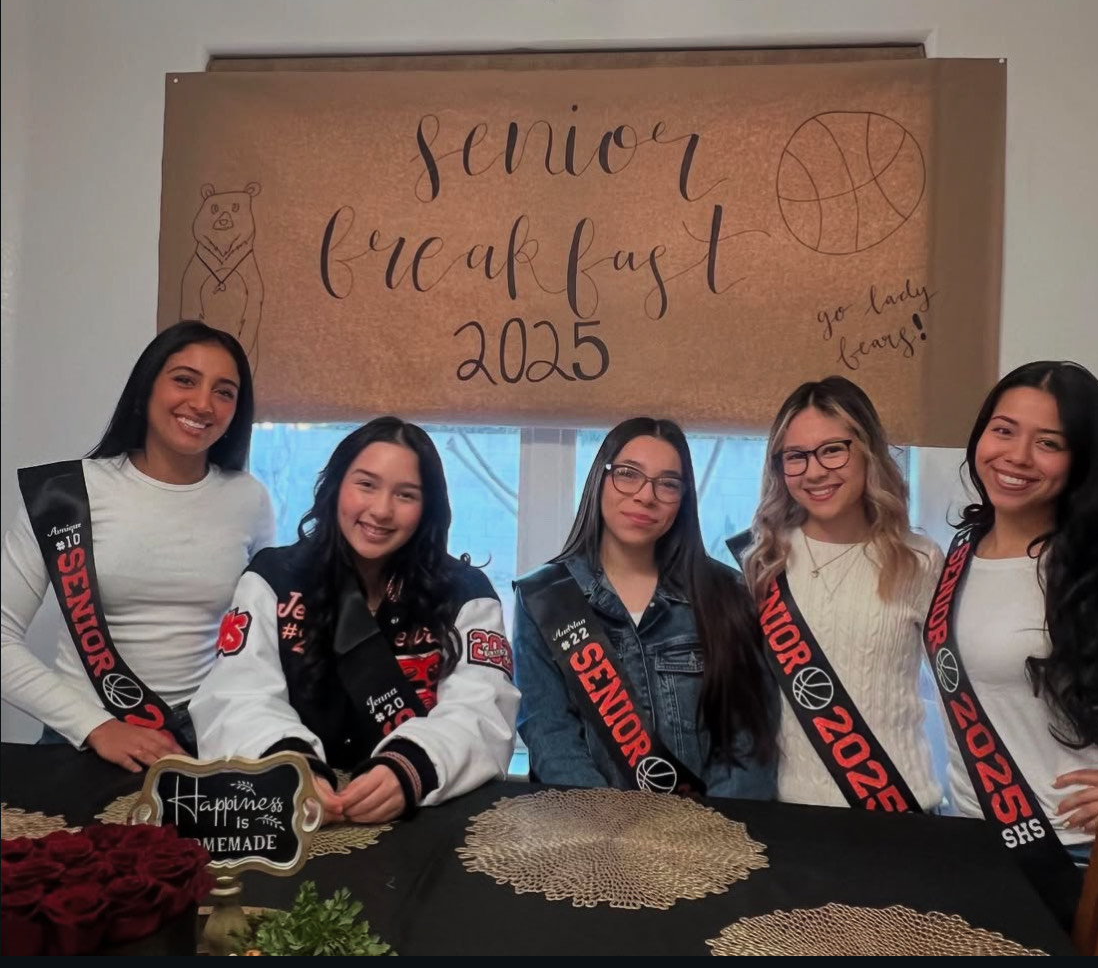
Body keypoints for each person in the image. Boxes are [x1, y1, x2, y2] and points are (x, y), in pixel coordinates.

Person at [191, 417, 520, 823]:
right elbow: (236, 694)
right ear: (335, 487)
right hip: (295, 812)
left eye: (406, 494)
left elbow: (484, 712)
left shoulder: (466, 593)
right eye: (366, 484)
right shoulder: (273, 578)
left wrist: (410, 769)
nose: (381, 510)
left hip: (421, 819)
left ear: (428, 508)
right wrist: (291, 766)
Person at [1, 320, 274, 772]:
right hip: (82, 740)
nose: (203, 403)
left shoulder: (250, 499)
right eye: (184, 380)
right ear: (146, 388)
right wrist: (96, 726)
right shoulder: (64, 496)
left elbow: (258, 634)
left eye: (225, 392)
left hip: (205, 740)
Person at [937, 361, 1098, 851]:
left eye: (1049, 443)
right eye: (1003, 431)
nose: (1017, 456)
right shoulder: (961, 550)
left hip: (1082, 851)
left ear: (1082, 461)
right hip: (975, 840)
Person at [513, 417, 776, 799]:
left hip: (708, 840)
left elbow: (748, 743)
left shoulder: (728, 593)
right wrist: (608, 838)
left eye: (667, 483)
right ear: (599, 480)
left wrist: (714, 835)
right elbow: (551, 738)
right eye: (628, 474)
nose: (645, 496)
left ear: (684, 498)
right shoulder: (542, 598)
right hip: (590, 833)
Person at [740, 376, 944, 811]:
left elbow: (966, 691)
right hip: (792, 813)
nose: (814, 471)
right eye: (795, 456)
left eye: (833, 449)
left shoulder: (919, 560)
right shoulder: (763, 560)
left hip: (900, 809)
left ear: (867, 449)